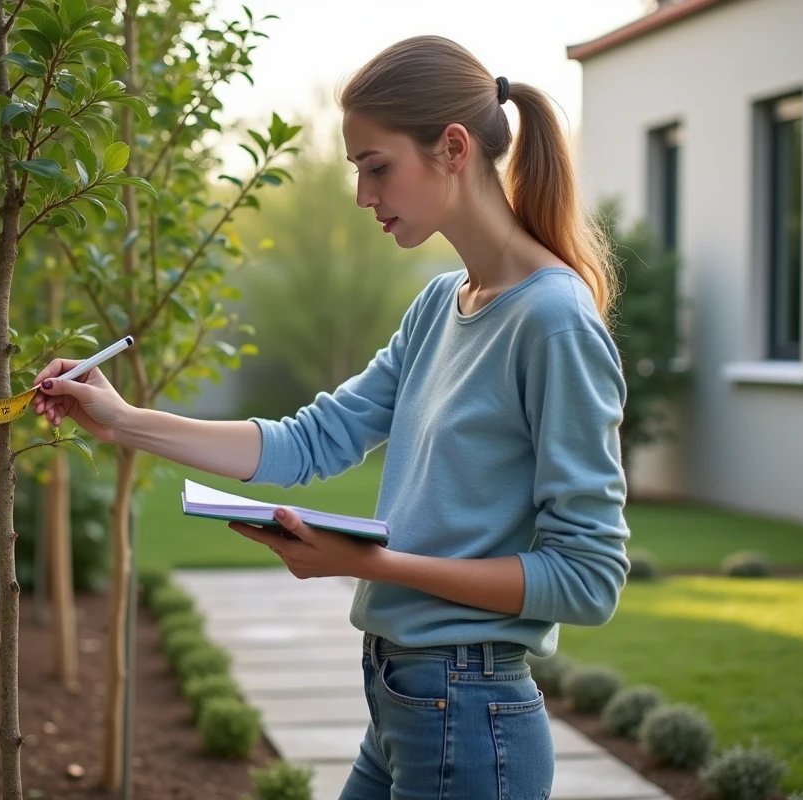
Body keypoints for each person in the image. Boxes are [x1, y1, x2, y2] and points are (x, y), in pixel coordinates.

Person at [33, 34, 629, 800]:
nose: (362, 195)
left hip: (469, 714)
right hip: (406, 702)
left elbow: (587, 579)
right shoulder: (438, 308)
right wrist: (121, 421)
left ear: (453, 148)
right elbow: (313, 441)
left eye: (376, 167)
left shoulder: (552, 321)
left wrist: (369, 564)